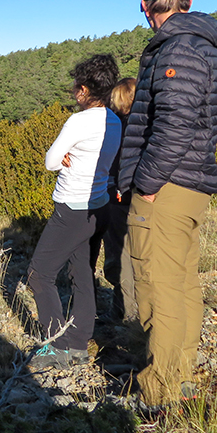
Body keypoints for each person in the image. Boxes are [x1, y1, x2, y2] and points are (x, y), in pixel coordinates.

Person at [117, 0, 217, 406]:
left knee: (156, 289)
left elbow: (174, 125)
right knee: (181, 284)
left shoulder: (177, 49)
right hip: (192, 184)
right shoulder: (204, 46)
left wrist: (146, 183)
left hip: (166, 188)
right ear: (185, 0)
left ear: (146, 7)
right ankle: (180, 375)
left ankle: (158, 394)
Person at [28, 54, 121, 369]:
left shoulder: (78, 122)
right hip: (99, 206)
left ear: (84, 90)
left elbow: (50, 162)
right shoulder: (114, 120)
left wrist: (65, 154)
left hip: (72, 209)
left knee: (40, 275)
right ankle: (79, 343)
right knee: (81, 273)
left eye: (75, 86)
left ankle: (56, 346)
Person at [89, 77, 138, 322]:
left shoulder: (118, 126)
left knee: (119, 253)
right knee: (133, 253)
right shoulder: (145, 126)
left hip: (117, 195)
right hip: (138, 196)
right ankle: (127, 308)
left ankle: (125, 311)